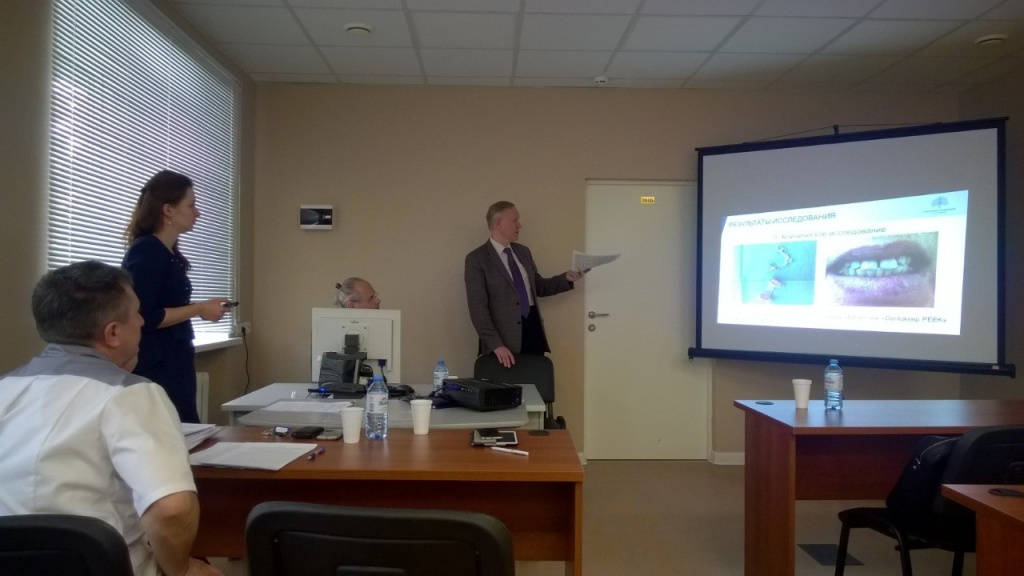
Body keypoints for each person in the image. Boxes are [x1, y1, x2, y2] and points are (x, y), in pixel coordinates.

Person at [0, 261, 223, 576]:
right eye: (137, 313)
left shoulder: (5, 388)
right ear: (113, 333)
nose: (142, 320)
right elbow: (172, 509)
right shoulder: (130, 394)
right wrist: (181, 570)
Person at [122, 170, 230, 423]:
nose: (198, 212)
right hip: (158, 364)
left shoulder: (166, 252)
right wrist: (198, 308)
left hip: (174, 359)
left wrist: (201, 308)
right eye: (191, 205)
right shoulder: (147, 251)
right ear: (168, 210)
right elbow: (145, 315)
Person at [465, 201, 584, 368]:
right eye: (515, 220)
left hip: (533, 329)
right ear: (498, 223)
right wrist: (496, 345)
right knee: (506, 385)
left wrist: (566, 278)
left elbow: (538, 286)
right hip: (503, 340)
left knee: (534, 381)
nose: (519, 225)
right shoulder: (477, 259)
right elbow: (478, 309)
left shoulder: (523, 252)